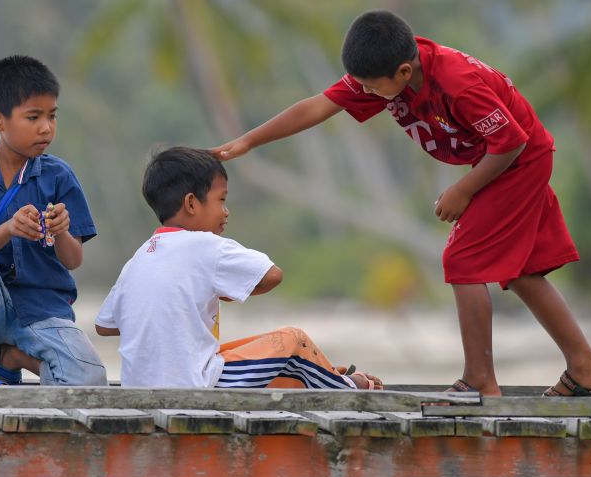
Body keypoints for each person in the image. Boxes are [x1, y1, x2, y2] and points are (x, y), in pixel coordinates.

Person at [212, 9, 591, 398]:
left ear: (404, 73)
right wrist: (250, 140)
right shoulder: (389, 71)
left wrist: (464, 190)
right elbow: (319, 105)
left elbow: (511, 142)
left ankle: (479, 380)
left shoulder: (458, 82)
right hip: (503, 158)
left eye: (371, 87)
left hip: (518, 160)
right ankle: (587, 370)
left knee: (463, 260)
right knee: (525, 272)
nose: (366, 94)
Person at [95, 146, 380, 390]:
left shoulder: (140, 256)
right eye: (221, 199)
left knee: (232, 353)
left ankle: (325, 374)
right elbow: (272, 275)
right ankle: (346, 388)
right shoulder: (205, 245)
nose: (226, 211)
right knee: (295, 341)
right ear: (192, 203)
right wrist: (224, 292)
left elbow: (105, 326)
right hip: (194, 385)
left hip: (140, 386)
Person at [0, 55, 107, 386]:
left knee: (89, 380)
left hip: (42, 309)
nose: (46, 127)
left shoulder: (59, 176)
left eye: (51, 116)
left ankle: (12, 357)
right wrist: (10, 229)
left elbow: (73, 260)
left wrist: (61, 233)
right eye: (33, 117)